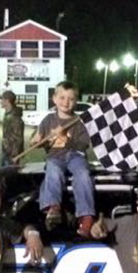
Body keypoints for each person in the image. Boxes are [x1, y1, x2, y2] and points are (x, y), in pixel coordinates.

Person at [32, 81, 95, 237]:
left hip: (75, 156)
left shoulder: (79, 122)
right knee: (53, 171)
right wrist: (37, 141)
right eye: (62, 98)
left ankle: (86, 215)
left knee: (83, 174)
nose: (66, 102)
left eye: (70, 99)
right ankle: (53, 207)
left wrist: (66, 139)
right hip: (55, 157)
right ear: (54, 99)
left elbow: (83, 146)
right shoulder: (48, 120)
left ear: (76, 101)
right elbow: (38, 142)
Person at [0, 90, 24, 167]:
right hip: (6, 151)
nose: (0, 102)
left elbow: (18, 138)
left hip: (11, 154)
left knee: (9, 175)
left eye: (2, 99)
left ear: (7, 100)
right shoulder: (7, 115)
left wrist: (14, 155)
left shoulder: (15, 117)